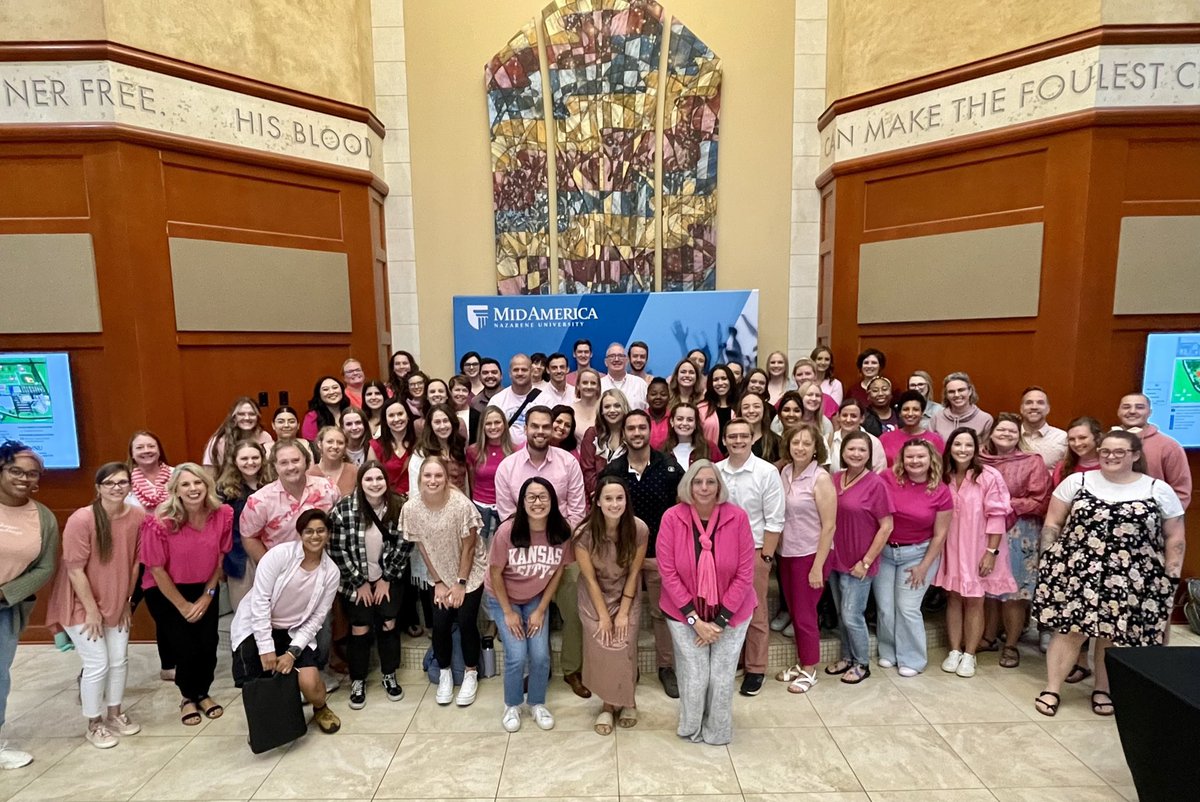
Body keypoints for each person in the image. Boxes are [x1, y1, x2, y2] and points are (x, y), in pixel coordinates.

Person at [1034, 430, 1186, 718]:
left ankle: (1102, 689)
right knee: (1070, 632)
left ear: (1136, 455)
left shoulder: (1157, 489)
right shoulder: (1076, 481)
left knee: (1114, 634)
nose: (1110, 456)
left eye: (1119, 452)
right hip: (1078, 572)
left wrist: (1171, 576)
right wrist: (1048, 560)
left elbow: (1175, 537)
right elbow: (1053, 523)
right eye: (1105, 451)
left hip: (1132, 576)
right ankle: (1052, 688)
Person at [657, 460, 755, 745]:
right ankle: (690, 726)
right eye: (697, 482)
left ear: (719, 486)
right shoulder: (672, 518)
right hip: (684, 612)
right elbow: (668, 571)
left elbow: (745, 573)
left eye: (710, 482)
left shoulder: (737, 518)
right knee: (696, 676)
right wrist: (695, 621)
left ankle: (718, 730)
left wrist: (719, 621)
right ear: (688, 485)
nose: (703, 487)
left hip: (732, 614)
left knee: (722, 678)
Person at [45, 463, 142, 750]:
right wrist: (91, 611)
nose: (116, 487)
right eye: (109, 483)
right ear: (98, 488)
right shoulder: (81, 519)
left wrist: (126, 602)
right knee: (97, 664)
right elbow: (74, 569)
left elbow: (136, 562)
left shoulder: (136, 516)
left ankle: (115, 713)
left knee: (119, 660)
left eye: (122, 482)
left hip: (117, 601)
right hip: (80, 603)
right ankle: (94, 723)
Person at [494, 407, 588, 696]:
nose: (540, 432)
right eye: (534, 426)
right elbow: (507, 514)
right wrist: (534, 540)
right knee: (532, 610)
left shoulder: (567, 463)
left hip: (562, 551)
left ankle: (572, 669)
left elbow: (577, 508)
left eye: (546, 427)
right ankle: (539, 670)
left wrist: (554, 538)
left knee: (574, 610)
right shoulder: (508, 467)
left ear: (552, 430)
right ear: (526, 429)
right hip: (523, 556)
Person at [230, 508, 341, 734]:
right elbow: (259, 602)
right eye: (308, 531)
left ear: (328, 534)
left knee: (311, 683)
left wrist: (291, 653)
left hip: (293, 631)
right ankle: (264, 724)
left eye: (321, 531)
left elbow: (317, 618)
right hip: (257, 625)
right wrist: (266, 647)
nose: (315, 536)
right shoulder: (279, 555)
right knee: (256, 680)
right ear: (300, 534)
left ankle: (320, 707)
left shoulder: (331, 572)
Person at [599, 411, 685, 697]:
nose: (637, 433)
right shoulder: (613, 471)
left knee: (661, 614)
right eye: (631, 428)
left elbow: (683, 510)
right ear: (623, 434)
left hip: (662, 558)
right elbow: (601, 515)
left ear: (651, 431)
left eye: (641, 428)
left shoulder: (670, 468)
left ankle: (666, 667)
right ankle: (628, 666)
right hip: (623, 559)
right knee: (627, 615)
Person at [140, 463, 232, 725]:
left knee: (207, 645)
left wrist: (208, 594)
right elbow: (156, 569)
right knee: (185, 647)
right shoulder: (159, 522)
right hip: (165, 591)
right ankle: (188, 698)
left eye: (198, 483)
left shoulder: (222, 514)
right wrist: (182, 606)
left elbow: (220, 557)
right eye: (186, 484)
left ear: (207, 485)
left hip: (204, 586)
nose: (193, 489)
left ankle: (203, 692)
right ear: (176, 490)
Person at [485, 477, 574, 732]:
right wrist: (507, 612)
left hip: (535, 597)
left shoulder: (561, 531)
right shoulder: (507, 531)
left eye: (543, 496)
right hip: (504, 597)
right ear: (522, 502)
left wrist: (541, 609)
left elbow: (558, 571)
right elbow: (495, 572)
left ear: (553, 501)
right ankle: (511, 705)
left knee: (540, 655)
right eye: (531, 497)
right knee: (516, 655)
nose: (537, 502)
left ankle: (536, 702)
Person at [400, 457, 487, 707]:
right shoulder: (412, 508)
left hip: (469, 571)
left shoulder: (460, 505)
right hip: (439, 572)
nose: (433, 480)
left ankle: (471, 673)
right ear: (420, 479)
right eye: (427, 476)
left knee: (467, 621)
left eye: (438, 476)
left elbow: (469, 547)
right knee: (439, 623)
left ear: (446, 479)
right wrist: (437, 581)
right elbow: (423, 547)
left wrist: (460, 583)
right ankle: (446, 673)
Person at [329, 461, 411, 710]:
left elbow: (405, 544)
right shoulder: (344, 509)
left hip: (389, 578)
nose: (375, 484)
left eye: (379, 479)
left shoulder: (399, 506)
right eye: (369, 479)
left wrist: (386, 578)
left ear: (386, 481)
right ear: (360, 482)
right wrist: (359, 583)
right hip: (355, 581)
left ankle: (389, 674)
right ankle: (358, 680)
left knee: (388, 624)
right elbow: (336, 550)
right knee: (360, 628)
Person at [935, 428, 1014, 679]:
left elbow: (997, 516)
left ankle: (970, 654)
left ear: (977, 448)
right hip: (951, 545)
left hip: (979, 546)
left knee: (976, 599)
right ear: (950, 447)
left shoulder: (989, 476)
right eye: (957, 444)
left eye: (968, 445)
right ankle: (954, 650)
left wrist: (991, 552)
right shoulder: (943, 475)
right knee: (954, 597)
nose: (963, 449)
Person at [715, 419, 785, 696]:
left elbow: (775, 520)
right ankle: (735, 660)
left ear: (753, 438)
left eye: (744, 436)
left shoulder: (766, 472)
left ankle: (755, 668)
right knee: (726, 610)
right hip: (720, 552)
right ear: (724, 440)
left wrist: (766, 558)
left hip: (755, 551)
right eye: (732, 436)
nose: (738, 441)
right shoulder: (716, 471)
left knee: (755, 613)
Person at [0, 442, 59, 768]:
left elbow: (45, 567)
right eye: (15, 471)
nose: (23, 478)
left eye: (31, 474)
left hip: (5, 609)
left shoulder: (43, 518)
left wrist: (6, 593)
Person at [575, 476, 648, 734]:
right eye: (608, 498)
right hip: (594, 595)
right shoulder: (582, 535)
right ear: (597, 502)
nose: (614, 503)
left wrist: (623, 612)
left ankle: (628, 700)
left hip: (626, 592)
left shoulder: (639, 529)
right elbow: (590, 580)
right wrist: (605, 616)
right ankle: (607, 705)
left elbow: (634, 573)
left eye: (619, 498)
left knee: (623, 642)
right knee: (603, 642)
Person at [980, 413, 1052, 667]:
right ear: (991, 433)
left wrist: (1003, 505)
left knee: (1013, 592)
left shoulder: (1032, 461)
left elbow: (1040, 500)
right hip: (986, 530)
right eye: (1001, 430)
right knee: (987, 588)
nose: (1006, 434)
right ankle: (988, 637)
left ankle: (1011, 645)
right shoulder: (980, 459)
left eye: (1012, 431)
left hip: (1020, 532)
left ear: (1019, 434)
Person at [822, 432, 894, 684]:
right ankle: (847, 657)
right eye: (851, 449)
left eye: (861, 450)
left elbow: (886, 527)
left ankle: (862, 663)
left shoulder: (876, 484)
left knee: (853, 615)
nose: (855, 454)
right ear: (842, 452)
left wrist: (866, 561)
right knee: (843, 614)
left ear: (869, 454)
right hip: (836, 558)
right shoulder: (834, 479)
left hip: (860, 562)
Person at [878, 439, 953, 676]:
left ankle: (913, 659)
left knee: (907, 607)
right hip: (886, 553)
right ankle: (889, 651)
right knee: (885, 607)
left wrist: (924, 567)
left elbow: (940, 535)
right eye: (910, 457)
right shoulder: (887, 478)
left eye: (920, 457)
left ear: (931, 459)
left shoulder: (940, 491)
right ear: (902, 459)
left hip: (918, 554)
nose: (915, 461)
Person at [774, 425, 835, 694]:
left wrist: (817, 566)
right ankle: (802, 663)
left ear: (815, 448)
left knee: (805, 615)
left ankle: (810, 669)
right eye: (795, 442)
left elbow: (830, 526)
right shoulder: (786, 472)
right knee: (796, 612)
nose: (800, 447)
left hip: (811, 555)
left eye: (806, 443)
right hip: (787, 553)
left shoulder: (820, 478)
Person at [241, 442, 341, 564]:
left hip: (325, 565)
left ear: (306, 461)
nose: (291, 467)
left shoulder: (328, 488)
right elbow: (249, 537)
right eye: (284, 463)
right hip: (281, 569)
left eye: (295, 460)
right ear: (274, 466)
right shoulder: (259, 501)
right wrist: (269, 567)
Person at [216, 440, 270, 610]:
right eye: (244, 458)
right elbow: (219, 529)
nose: (250, 462)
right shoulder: (224, 490)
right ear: (235, 461)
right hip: (239, 556)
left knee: (272, 608)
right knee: (244, 610)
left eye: (255, 457)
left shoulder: (273, 483)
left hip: (270, 551)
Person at [1114, 393, 1192, 508]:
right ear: (1118, 411)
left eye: (1139, 407)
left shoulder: (1169, 446)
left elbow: (1181, 492)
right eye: (1126, 407)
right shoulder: (1106, 443)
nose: (1132, 411)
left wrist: (1166, 520)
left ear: (1150, 412)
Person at [468, 406, 516, 543]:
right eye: (488, 423)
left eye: (497, 422)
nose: (493, 427)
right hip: (480, 509)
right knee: (482, 554)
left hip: (506, 510)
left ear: (504, 425)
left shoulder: (514, 450)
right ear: (482, 427)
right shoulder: (473, 451)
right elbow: (472, 481)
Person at [409, 404, 469, 494]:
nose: (442, 426)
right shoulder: (422, 453)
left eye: (445, 421)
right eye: (437, 422)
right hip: (434, 504)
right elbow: (415, 489)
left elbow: (465, 481)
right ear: (430, 426)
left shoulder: (459, 446)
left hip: (461, 503)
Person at [202, 397, 274, 472]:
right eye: (241, 414)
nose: (247, 418)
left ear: (258, 417)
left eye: (252, 414)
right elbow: (209, 474)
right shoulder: (219, 441)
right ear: (234, 418)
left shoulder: (265, 437)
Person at [580, 388, 628, 498]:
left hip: (626, 497)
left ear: (624, 408)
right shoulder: (592, 434)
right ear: (601, 411)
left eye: (617, 406)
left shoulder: (631, 435)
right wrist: (600, 495)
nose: (612, 410)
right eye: (607, 407)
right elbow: (587, 470)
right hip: (596, 498)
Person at [879, 390, 944, 467]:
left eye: (915, 409)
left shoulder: (935, 439)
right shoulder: (885, 439)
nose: (910, 413)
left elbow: (940, 468)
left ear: (922, 413)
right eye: (906, 409)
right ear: (899, 413)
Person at [490, 354, 540, 446]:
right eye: (516, 370)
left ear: (532, 371)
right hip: (506, 453)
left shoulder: (546, 399)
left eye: (524, 370)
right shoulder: (497, 401)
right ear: (510, 373)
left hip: (537, 453)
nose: (520, 373)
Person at [369, 398, 416, 495]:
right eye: (391, 415)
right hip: (388, 501)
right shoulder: (376, 446)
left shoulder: (419, 444)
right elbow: (372, 478)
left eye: (400, 414)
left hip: (416, 500)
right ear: (385, 420)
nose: (396, 419)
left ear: (408, 416)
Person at [928, 372, 994, 440]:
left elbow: (986, 449)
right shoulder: (936, 418)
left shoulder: (986, 419)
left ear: (970, 391)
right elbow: (929, 446)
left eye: (961, 390)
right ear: (946, 395)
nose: (956, 395)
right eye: (951, 392)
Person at [827, 399, 886, 473]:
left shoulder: (874, 442)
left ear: (862, 418)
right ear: (838, 417)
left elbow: (880, 473)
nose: (848, 420)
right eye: (844, 415)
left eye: (853, 416)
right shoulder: (829, 440)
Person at [1018, 386, 1067, 469]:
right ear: (1021, 409)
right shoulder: (1010, 436)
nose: (1034, 407)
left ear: (1048, 409)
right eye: (1029, 402)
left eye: (1040, 403)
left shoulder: (1062, 438)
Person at [126, 431, 172, 512]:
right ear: (132, 454)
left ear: (159, 451)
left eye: (151, 446)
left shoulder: (177, 474)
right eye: (139, 448)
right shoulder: (125, 480)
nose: (146, 450)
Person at [664, 401, 720, 466]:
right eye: (680, 419)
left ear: (696, 423)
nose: (684, 423)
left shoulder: (710, 448)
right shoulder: (663, 450)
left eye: (690, 420)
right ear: (672, 421)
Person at [1052, 416, 1103, 485]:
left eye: (1082, 438)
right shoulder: (1061, 468)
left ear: (1097, 437)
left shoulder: (1111, 465)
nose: (1077, 444)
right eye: (1072, 439)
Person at [309, 426, 357, 496]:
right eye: (329, 442)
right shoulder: (310, 474)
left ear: (345, 446)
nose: (335, 446)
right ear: (320, 444)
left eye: (340, 443)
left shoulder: (354, 472)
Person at [700, 365, 738, 451]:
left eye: (724, 378)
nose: (720, 383)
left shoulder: (740, 407)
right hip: (709, 458)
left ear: (730, 381)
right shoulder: (700, 409)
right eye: (715, 380)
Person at [600, 343, 648, 410]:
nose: (616, 359)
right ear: (605, 362)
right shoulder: (599, 385)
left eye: (620, 356)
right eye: (612, 356)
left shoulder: (640, 384)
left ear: (627, 360)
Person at [738, 391, 782, 464]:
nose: (751, 411)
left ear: (764, 410)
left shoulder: (776, 442)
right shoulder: (733, 439)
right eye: (746, 407)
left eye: (756, 406)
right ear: (740, 412)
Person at [301, 377, 349, 441]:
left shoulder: (351, 412)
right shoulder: (312, 416)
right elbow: (310, 444)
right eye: (325, 389)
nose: (331, 392)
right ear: (319, 394)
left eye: (335, 388)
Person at [571, 367, 603, 434]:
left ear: (598, 387)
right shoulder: (571, 410)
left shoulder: (604, 409)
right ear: (578, 386)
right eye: (585, 383)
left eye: (593, 383)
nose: (589, 386)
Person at [448, 374, 479, 440]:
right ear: (450, 392)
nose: (461, 394)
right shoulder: (445, 412)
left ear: (469, 394)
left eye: (464, 390)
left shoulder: (477, 416)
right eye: (457, 390)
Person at [645, 378, 671, 451]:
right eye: (653, 394)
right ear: (647, 398)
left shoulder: (674, 419)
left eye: (663, 394)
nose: (658, 397)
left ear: (669, 397)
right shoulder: (640, 418)